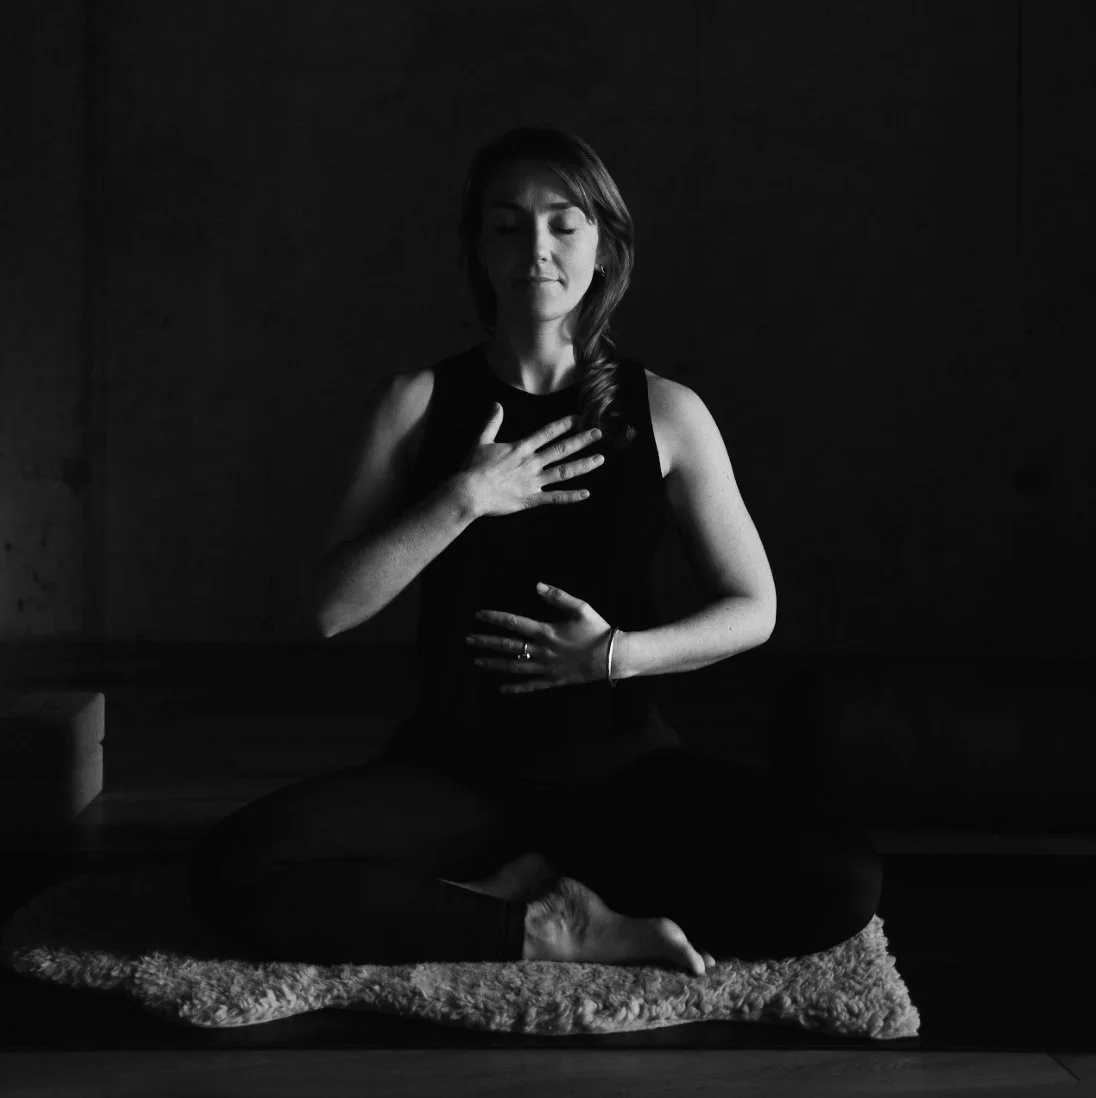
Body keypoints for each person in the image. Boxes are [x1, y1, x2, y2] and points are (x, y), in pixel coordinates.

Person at [186, 124, 882, 976]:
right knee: (237, 872)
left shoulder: (668, 412)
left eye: (565, 223)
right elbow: (328, 609)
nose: (537, 248)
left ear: (606, 244)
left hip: (624, 775)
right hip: (454, 773)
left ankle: (512, 885)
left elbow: (754, 608)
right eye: (507, 223)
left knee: (839, 881)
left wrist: (615, 656)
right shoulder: (415, 403)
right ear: (478, 247)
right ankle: (542, 928)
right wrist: (464, 497)